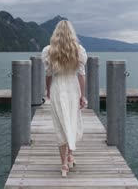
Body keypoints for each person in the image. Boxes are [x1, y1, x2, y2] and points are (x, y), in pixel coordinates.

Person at [41, 20, 87, 178]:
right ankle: (70, 155)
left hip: (58, 88)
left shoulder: (49, 50)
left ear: (56, 34)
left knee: (60, 124)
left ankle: (64, 166)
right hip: (73, 88)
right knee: (72, 120)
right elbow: (81, 75)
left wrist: (47, 90)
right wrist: (83, 95)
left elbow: (48, 75)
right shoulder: (78, 50)